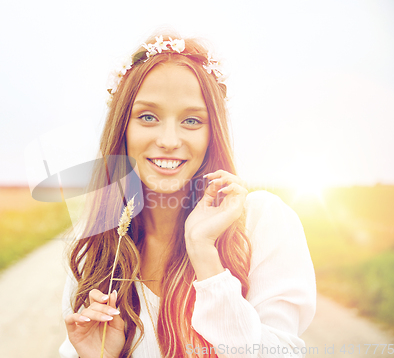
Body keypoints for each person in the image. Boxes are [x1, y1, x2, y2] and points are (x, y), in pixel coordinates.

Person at [59, 31, 316, 358]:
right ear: (122, 128)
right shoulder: (96, 246)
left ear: (213, 133)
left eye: (191, 120)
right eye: (148, 116)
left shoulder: (262, 221)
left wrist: (203, 252)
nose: (168, 140)